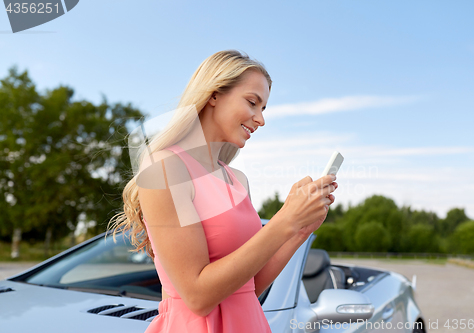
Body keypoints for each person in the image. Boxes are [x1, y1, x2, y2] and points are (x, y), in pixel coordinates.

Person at [107, 50, 338, 333]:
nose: (260, 119)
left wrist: (298, 230)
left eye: (263, 109)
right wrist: (284, 220)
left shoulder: (237, 180)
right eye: (253, 103)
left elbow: (248, 286)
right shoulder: (165, 167)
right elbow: (198, 297)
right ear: (214, 95)